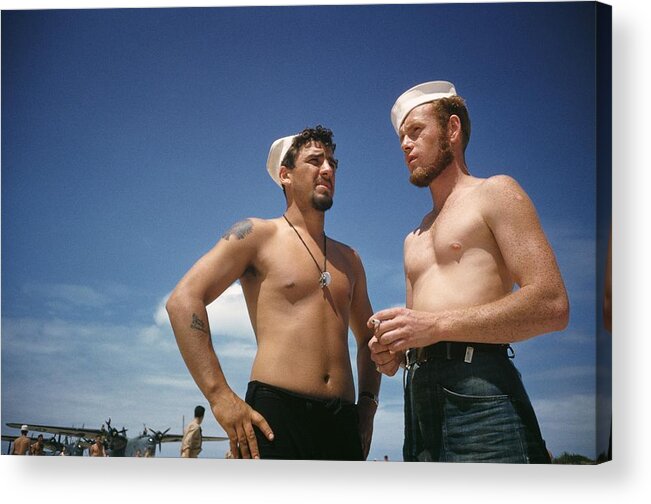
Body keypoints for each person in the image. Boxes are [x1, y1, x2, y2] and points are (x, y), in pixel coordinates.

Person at [368, 81, 569, 463]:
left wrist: (435, 326)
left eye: (415, 132)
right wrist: (392, 350)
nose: (405, 146)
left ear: (452, 130)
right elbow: (418, 332)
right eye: (401, 139)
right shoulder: (413, 238)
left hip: (480, 391)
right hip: (418, 400)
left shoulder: (496, 193)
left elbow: (552, 303)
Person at [167, 125, 380, 460]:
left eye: (332, 163)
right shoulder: (257, 235)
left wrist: (367, 406)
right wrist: (219, 395)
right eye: (314, 161)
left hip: (342, 423)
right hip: (276, 416)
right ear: (285, 175)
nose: (327, 169)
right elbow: (183, 301)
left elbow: (370, 339)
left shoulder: (350, 259)